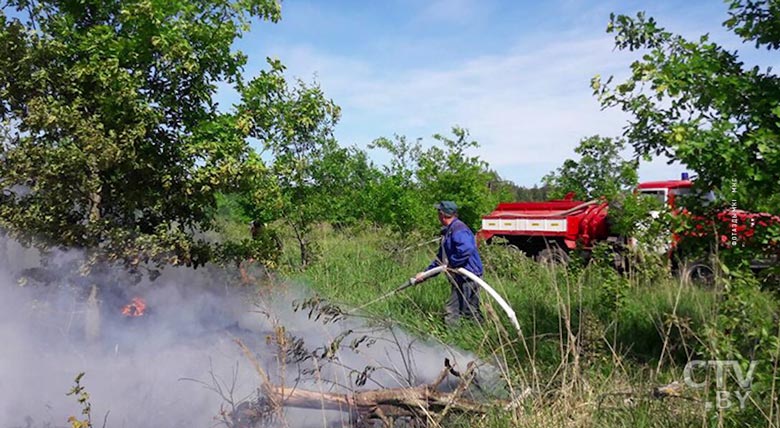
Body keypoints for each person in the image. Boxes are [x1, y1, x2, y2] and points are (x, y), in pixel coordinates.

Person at [415, 201, 484, 324]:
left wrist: (453, 264)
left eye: (438, 212)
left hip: (468, 276)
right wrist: (424, 275)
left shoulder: (459, 229)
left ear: (442, 214)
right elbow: (440, 260)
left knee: (453, 310)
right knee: (470, 311)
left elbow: (467, 248)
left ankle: (450, 340)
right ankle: (482, 334)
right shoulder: (449, 231)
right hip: (464, 276)